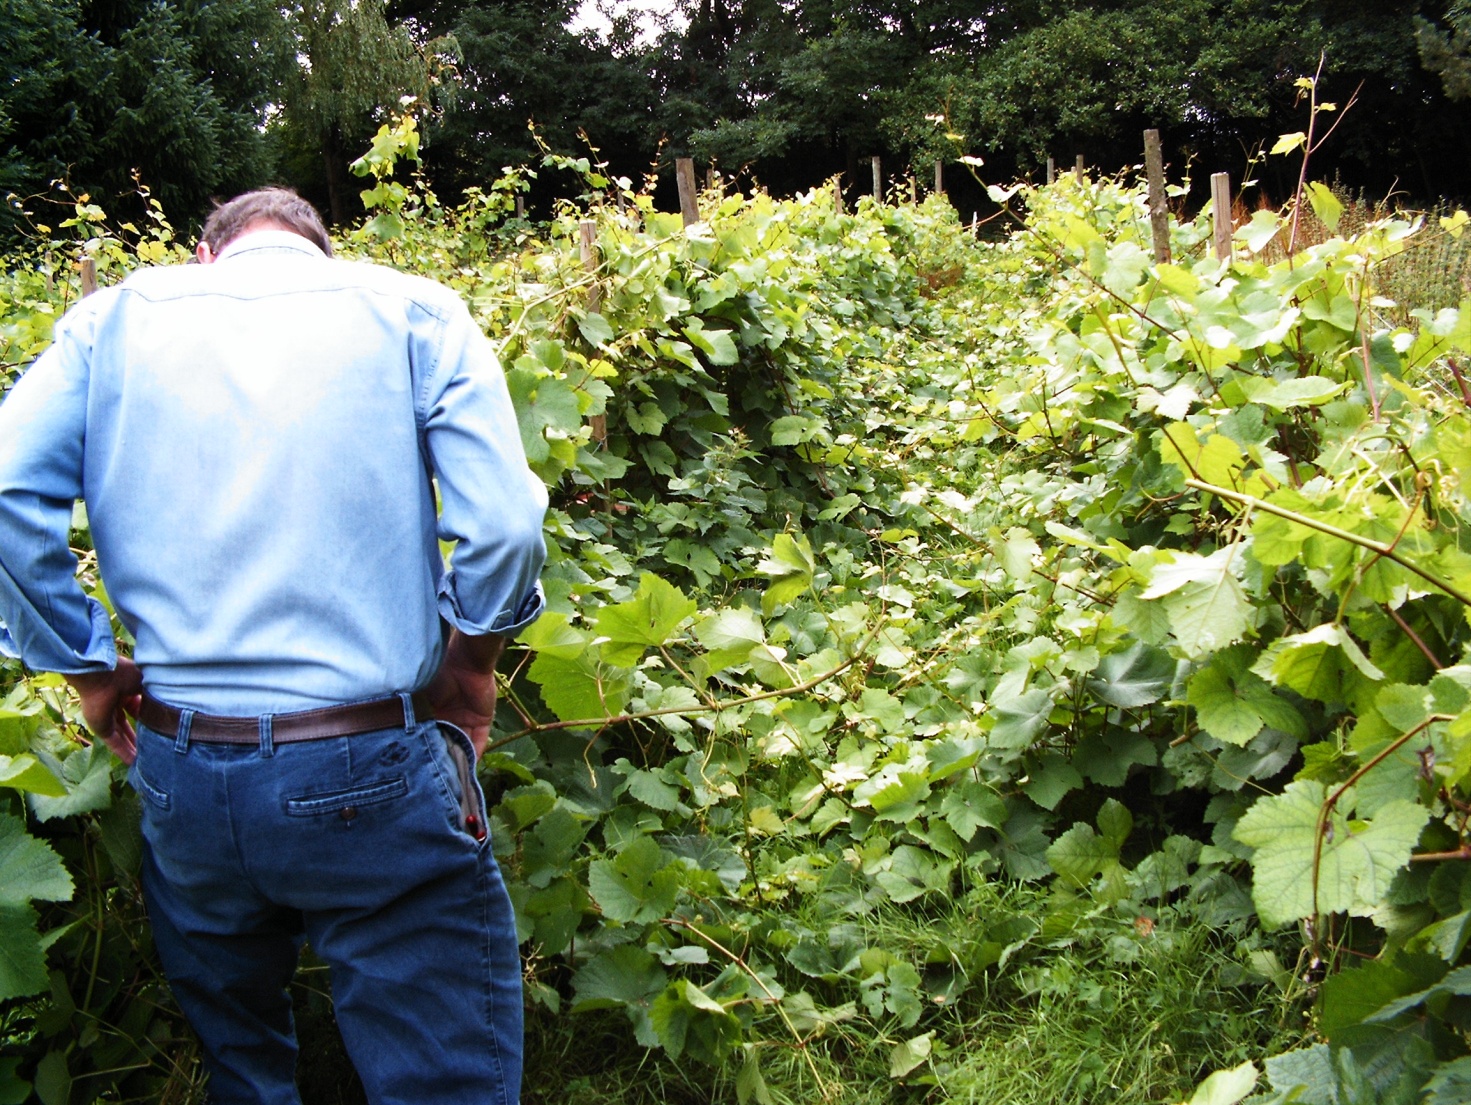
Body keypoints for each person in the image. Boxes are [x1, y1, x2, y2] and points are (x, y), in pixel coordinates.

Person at [0, 188, 547, 1105]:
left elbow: (7, 492)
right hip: (371, 753)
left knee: (242, 1065)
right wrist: (472, 663)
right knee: (443, 1074)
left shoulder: (111, 323)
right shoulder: (411, 309)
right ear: (319, 253)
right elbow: (501, 526)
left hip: (181, 764)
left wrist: (89, 668)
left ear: (208, 256)